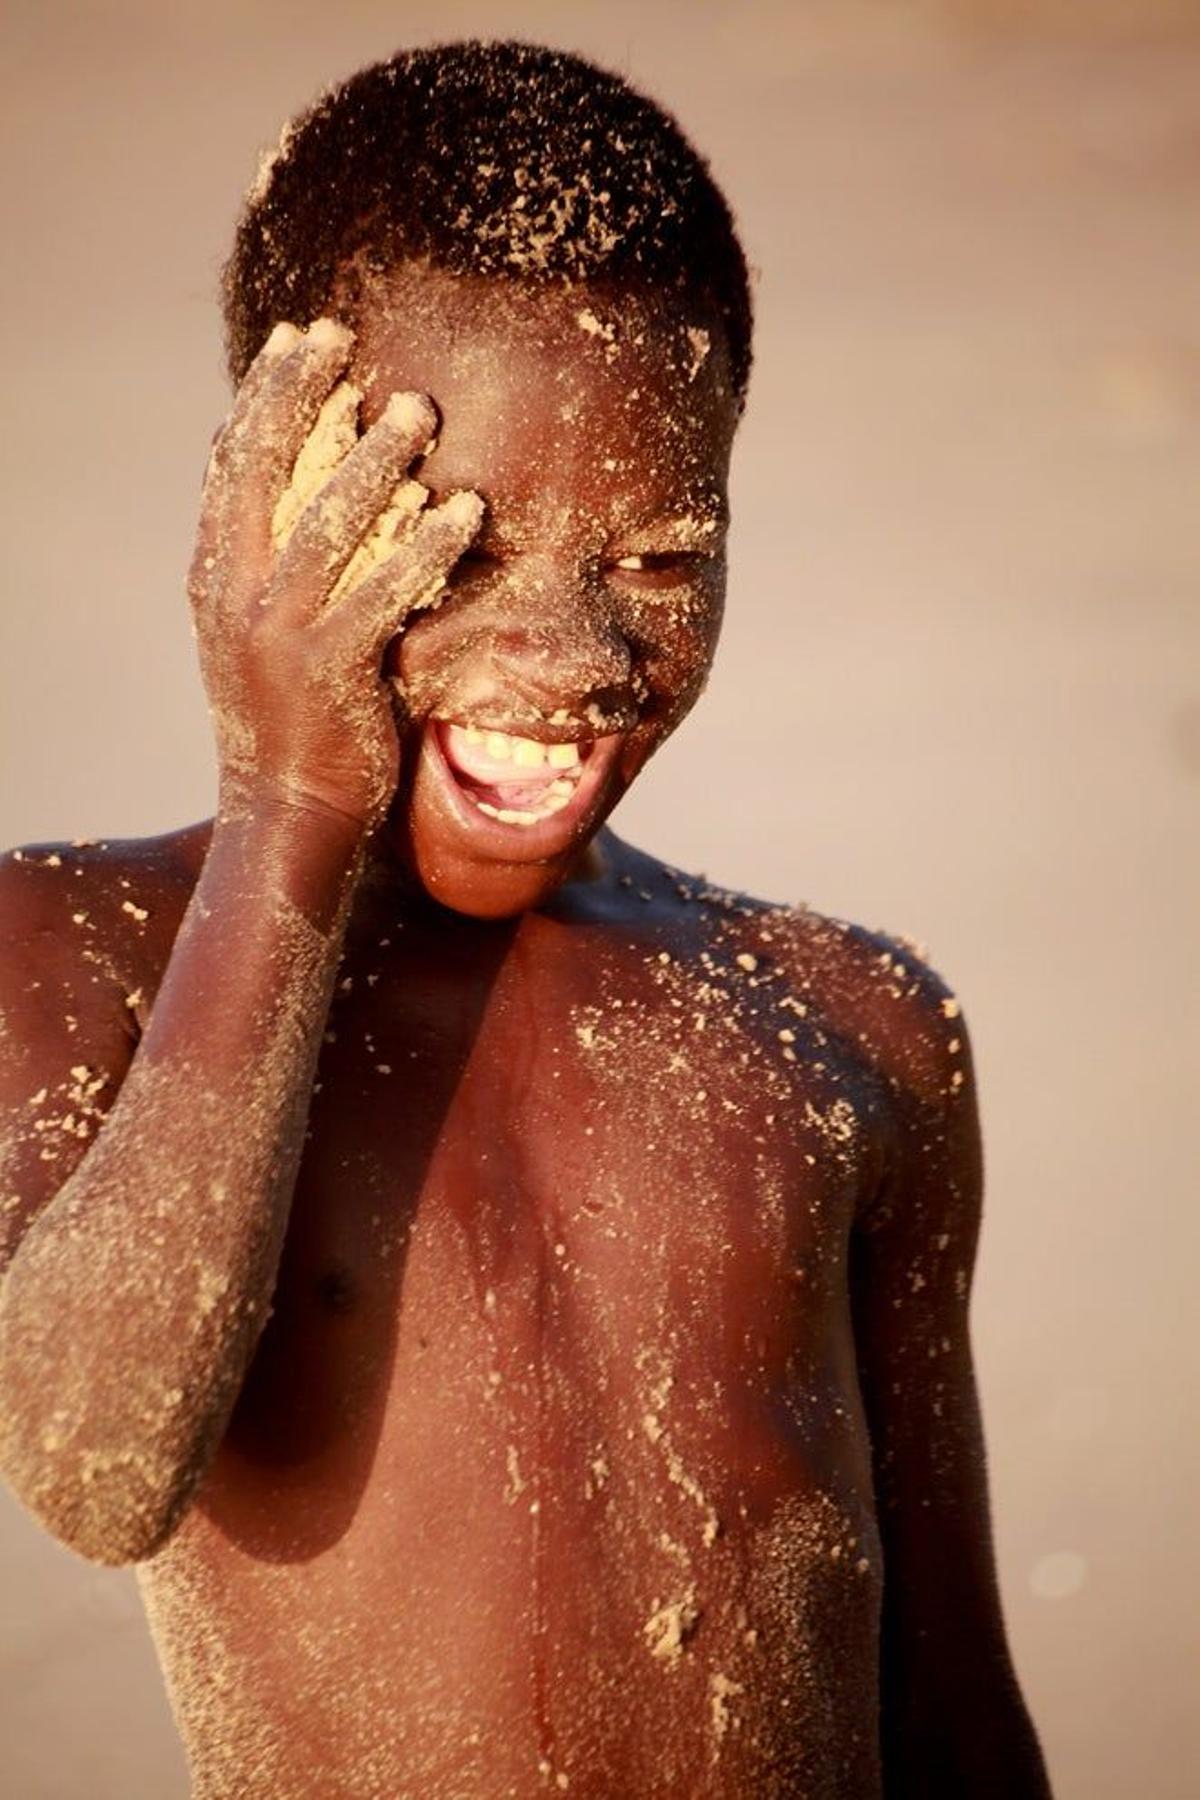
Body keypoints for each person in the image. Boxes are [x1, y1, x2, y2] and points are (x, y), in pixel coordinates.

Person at [0, 40, 1051, 1799]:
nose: (570, 661)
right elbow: (94, 1462)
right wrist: (290, 806)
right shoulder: (85, 957)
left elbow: (954, 1707)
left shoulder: (851, 1029)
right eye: (456, 553)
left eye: (659, 559)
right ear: (267, 508)